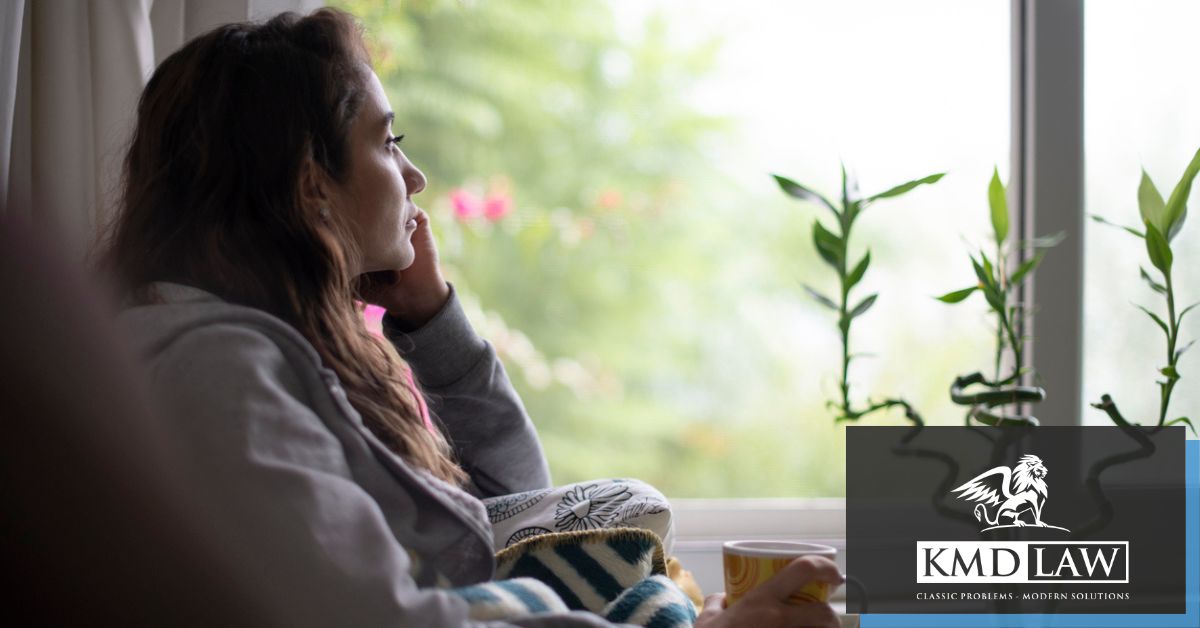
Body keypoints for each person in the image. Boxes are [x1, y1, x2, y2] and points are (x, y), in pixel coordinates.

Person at [95, 8, 842, 627]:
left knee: (627, 511)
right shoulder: (218, 375)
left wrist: (431, 317)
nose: (415, 177)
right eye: (388, 143)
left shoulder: (271, 353)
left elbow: (497, 525)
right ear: (311, 185)